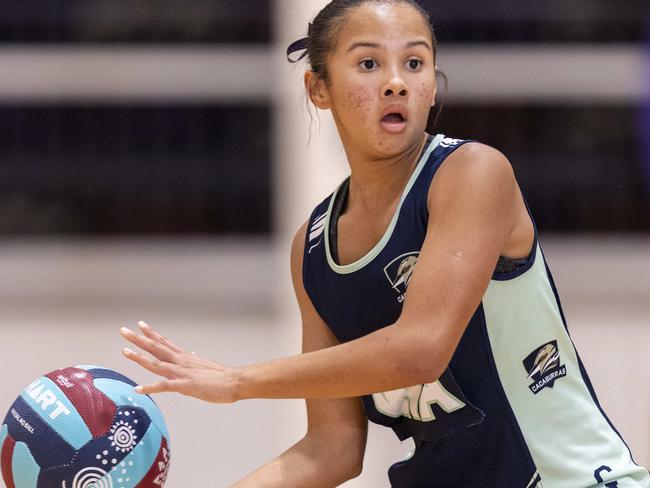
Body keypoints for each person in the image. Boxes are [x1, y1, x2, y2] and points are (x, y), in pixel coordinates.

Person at [119, 1, 650, 486]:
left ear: (434, 87)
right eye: (369, 64)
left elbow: (418, 350)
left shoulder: (471, 173)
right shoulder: (313, 246)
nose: (396, 82)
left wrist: (239, 381)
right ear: (318, 89)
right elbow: (331, 449)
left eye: (415, 64)